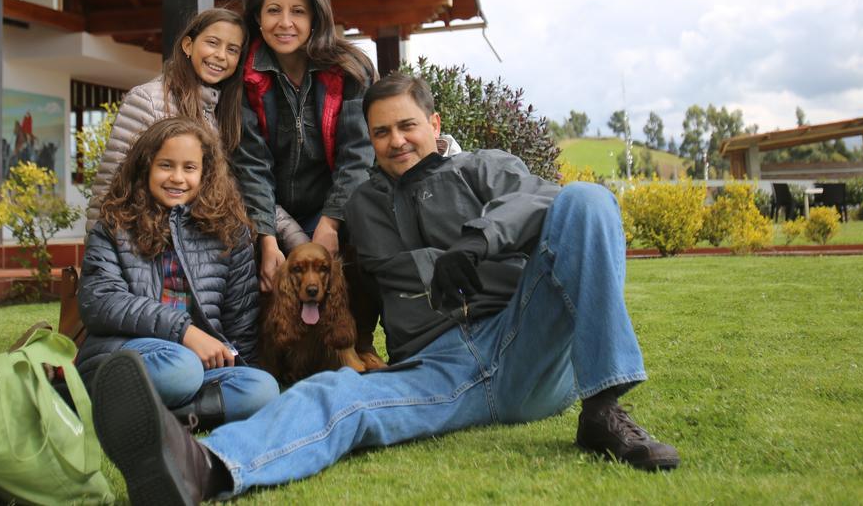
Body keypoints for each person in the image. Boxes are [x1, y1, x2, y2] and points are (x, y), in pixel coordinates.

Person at [90, 72, 680, 503]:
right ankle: (206, 467)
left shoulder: (484, 168)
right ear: (367, 140)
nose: (396, 141)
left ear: (434, 124)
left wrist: (479, 240)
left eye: (408, 126)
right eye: (380, 132)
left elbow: (547, 202)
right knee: (340, 395)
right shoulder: (363, 205)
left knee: (587, 198)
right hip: (438, 370)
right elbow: (351, 285)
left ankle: (604, 409)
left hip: (524, 339)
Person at [77, 117, 279, 430]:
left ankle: (159, 421)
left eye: (189, 168)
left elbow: (240, 320)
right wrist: (184, 331)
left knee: (262, 388)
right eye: (166, 165)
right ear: (146, 167)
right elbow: (100, 301)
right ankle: (133, 404)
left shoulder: (229, 232)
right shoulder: (114, 226)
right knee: (180, 370)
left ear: (206, 173)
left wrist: (244, 367)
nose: (177, 178)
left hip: (199, 368)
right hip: (126, 358)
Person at [233, 0, 375, 292]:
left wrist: (331, 220)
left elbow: (357, 154)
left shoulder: (350, 70)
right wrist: (266, 238)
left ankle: (359, 336)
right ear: (258, 17)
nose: (285, 23)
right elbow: (252, 164)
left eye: (298, 11)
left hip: (332, 207)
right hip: (269, 211)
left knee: (367, 230)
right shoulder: (243, 77)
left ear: (315, 17)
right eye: (273, 11)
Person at [86, 7, 247, 233]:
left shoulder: (227, 111)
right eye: (212, 42)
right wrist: (98, 258)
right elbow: (109, 185)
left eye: (232, 49)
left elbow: (241, 189)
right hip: (150, 245)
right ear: (188, 45)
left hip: (205, 248)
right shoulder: (147, 99)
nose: (221, 55)